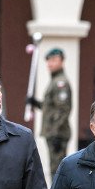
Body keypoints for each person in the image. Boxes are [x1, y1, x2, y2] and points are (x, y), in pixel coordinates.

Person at [29, 48, 72, 177]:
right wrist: (36, 103)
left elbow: (63, 110)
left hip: (57, 133)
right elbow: (51, 107)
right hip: (53, 132)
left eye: (54, 60)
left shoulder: (60, 82)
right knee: (54, 168)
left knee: (57, 170)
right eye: (49, 61)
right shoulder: (54, 80)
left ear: (62, 61)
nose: (50, 64)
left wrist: (56, 133)